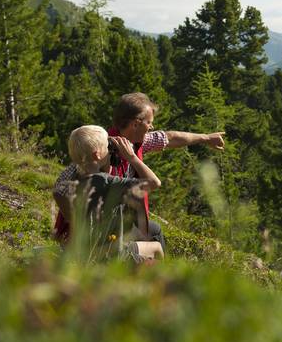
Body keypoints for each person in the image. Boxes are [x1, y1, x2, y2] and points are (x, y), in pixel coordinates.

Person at [53, 92, 225, 247]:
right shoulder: (105, 147)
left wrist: (206, 138)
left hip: (118, 221)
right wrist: (73, 220)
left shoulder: (135, 143)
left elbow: (169, 138)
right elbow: (62, 184)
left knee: (152, 231)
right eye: (149, 122)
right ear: (136, 124)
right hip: (100, 231)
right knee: (153, 233)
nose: (151, 127)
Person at [54, 125, 161, 255]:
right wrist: (132, 157)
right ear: (97, 155)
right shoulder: (106, 183)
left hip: (82, 248)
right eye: (107, 146)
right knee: (156, 247)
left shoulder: (69, 182)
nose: (109, 149)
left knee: (152, 228)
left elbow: (58, 191)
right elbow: (154, 183)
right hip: (110, 253)